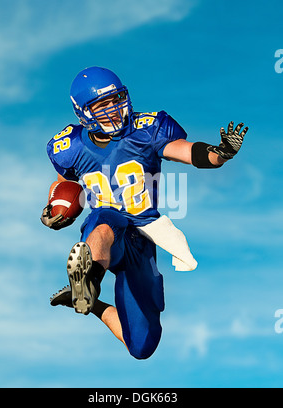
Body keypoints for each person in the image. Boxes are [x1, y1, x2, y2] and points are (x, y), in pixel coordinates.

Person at [41, 66, 248, 360]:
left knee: (141, 347)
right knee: (104, 222)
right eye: (101, 105)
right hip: (107, 227)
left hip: (144, 235)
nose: (112, 109)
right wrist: (55, 206)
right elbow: (66, 183)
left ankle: (90, 302)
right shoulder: (69, 146)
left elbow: (185, 151)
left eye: (116, 100)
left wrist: (219, 154)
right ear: (83, 113)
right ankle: (88, 281)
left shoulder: (147, 129)